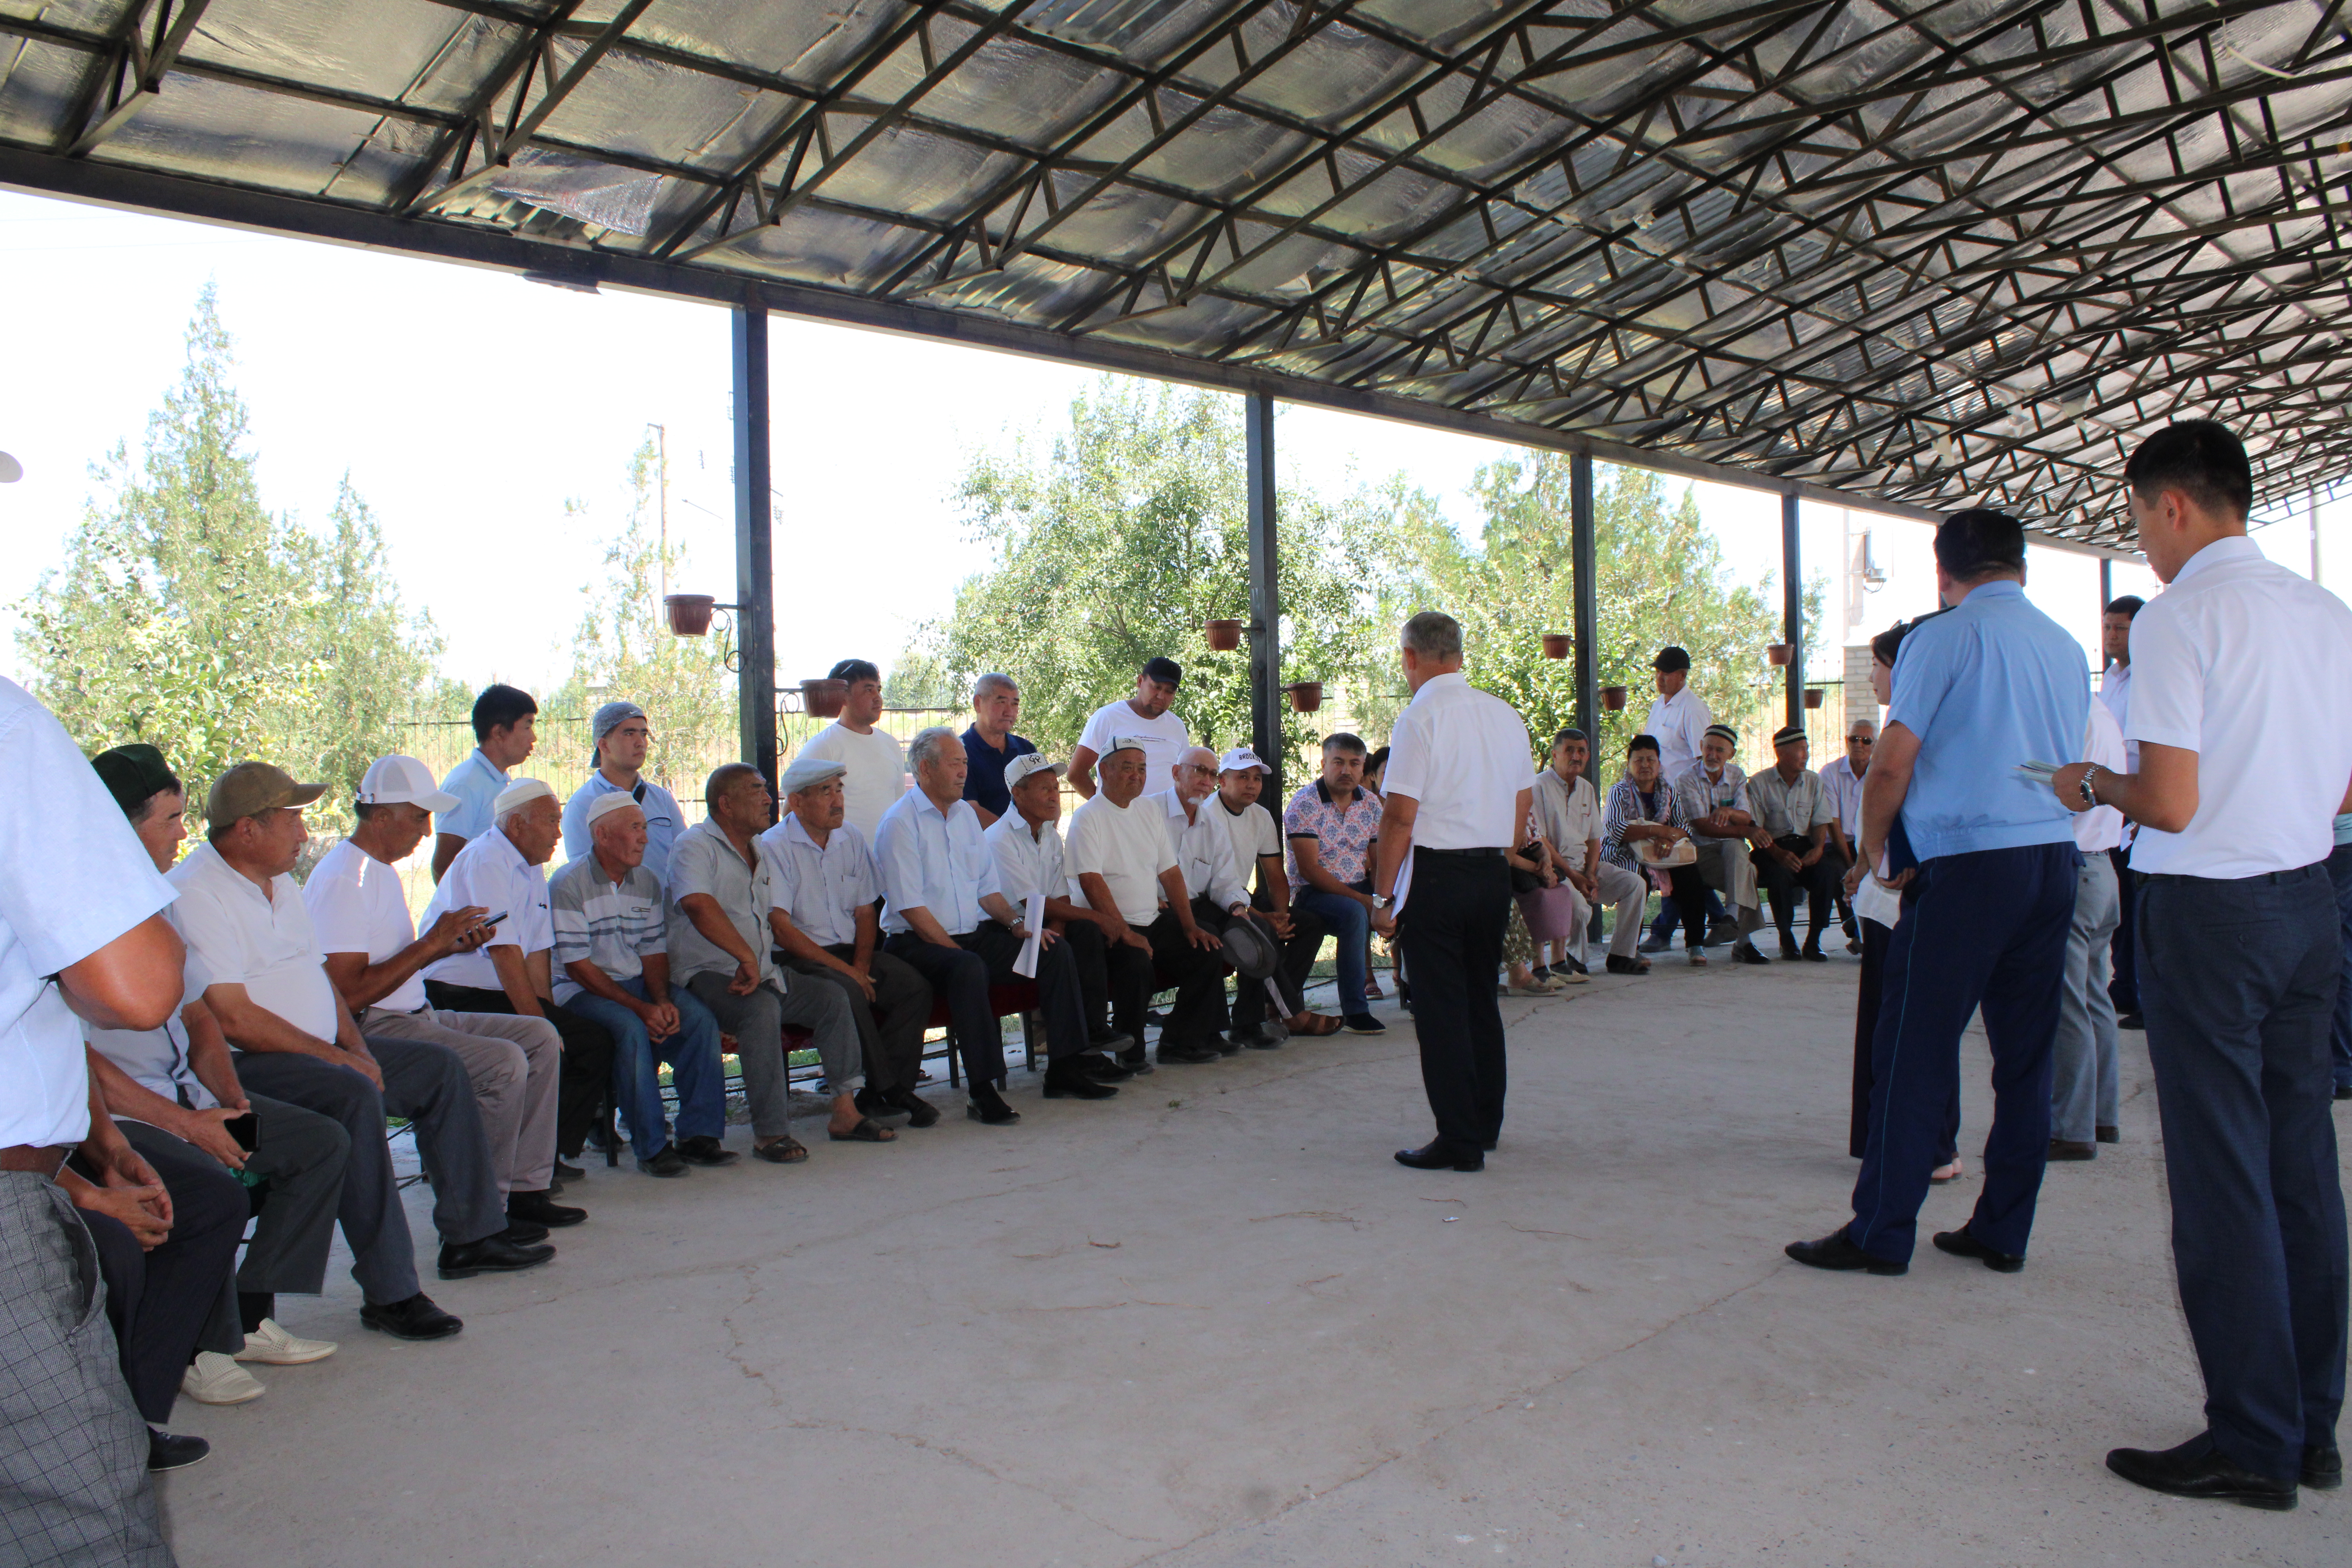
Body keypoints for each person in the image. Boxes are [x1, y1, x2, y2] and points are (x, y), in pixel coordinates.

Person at [2054, 422, 2352, 1509]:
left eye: (2138, 520)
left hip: (2213, 917)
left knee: (2225, 1176)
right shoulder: (2328, 615)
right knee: (2301, 1166)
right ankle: (2310, 1426)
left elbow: (2169, 801)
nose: (2144, 543)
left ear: (2172, 505)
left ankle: (2252, 1440)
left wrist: (2092, 783)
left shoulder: (2182, 623)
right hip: (2308, 904)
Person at [1788, 508, 2086, 1280]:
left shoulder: (1942, 637)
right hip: (2052, 859)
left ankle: (1881, 1229)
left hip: (1969, 867)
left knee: (1913, 1046)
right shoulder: (2064, 644)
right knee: (2025, 1058)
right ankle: (2003, 1228)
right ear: (2021, 564)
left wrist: (1873, 855)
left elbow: (1890, 762)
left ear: (1943, 570)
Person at [171, 762, 546, 1332]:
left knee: (441, 1070)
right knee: (351, 1097)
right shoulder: (197, 892)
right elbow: (235, 1019)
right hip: (242, 1068)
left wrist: (356, 1047)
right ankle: (391, 1291)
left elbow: (320, 980)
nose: (304, 834)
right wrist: (340, 1058)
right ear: (247, 830)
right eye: (292, 820)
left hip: (324, 1048)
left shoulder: (283, 884)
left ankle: (473, 1235)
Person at [85, 744, 348, 1404]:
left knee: (316, 1144)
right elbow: (77, 1061)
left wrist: (230, 1101)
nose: (184, 830)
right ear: (122, 826)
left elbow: (203, 1019)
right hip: (126, 1118)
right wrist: (188, 1124)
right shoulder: (82, 917)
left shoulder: (158, 900)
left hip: (193, 1100)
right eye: (170, 818)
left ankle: (250, 1313)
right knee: (214, 1192)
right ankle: (201, 1348)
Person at [0, 674, 200, 1541]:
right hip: (106, 1130)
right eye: (167, 817)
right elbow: (141, 987)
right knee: (78, 1518)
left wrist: (200, 1115)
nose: (180, 831)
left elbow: (213, 1035)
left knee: (256, 1152)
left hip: (157, 1110)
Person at [318, 758, 579, 1234]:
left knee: (540, 1035)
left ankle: (526, 1190)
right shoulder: (344, 879)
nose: (427, 832)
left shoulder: (376, 871)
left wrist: (451, 943)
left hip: (418, 1011)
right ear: (380, 817)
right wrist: (432, 945)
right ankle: (486, 1214)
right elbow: (346, 992)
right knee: (503, 1061)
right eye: (419, 817)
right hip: (377, 1026)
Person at [1369, 612, 1532, 1172]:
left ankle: (1458, 1140)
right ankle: (1484, 1124)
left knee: (1441, 1012)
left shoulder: (1421, 717)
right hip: (1493, 872)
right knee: (1480, 1001)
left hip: (1438, 876)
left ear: (1411, 657)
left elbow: (1398, 819)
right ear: (1458, 654)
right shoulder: (1505, 715)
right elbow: (1521, 812)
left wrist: (1382, 898)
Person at [880, 729, 1108, 1113]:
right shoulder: (900, 822)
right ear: (925, 768)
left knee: (1053, 949)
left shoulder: (967, 816)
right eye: (955, 763)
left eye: (965, 763)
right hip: (918, 944)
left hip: (974, 935)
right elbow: (910, 908)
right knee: (968, 967)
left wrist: (1018, 925)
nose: (963, 772)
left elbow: (987, 891)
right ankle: (982, 1089)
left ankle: (1065, 1068)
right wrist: (956, 950)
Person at [416, 778, 612, 1188]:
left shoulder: (532, 864)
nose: (560, 832)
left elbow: (536, 950)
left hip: (502, 991)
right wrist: (539, 1024)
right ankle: (526, 1164)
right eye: (552, 821)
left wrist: (545, 1013)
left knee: (591, 1042)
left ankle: (542, 1155)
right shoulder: (488, 858)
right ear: (519, 824)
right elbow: (505, 952)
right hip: (458, 994)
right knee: (549, 1041)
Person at [671, 764, 873, 1157]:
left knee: (832, 997)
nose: (768, 798)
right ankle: (770, 1133)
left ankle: (845, 1112)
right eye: (756, 790)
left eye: (766, 789)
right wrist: (745, 956)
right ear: (726, 804)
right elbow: (697, 904)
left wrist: (755, 962)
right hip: (708, 974)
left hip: (763, 972)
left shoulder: (759, 848)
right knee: (760, 1009)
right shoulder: (694, 845)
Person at [64, 1060, 243, 1454]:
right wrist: (89, 1196)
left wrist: (113, 1154)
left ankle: (134, 1421)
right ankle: (85, 1429)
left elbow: (76, 1062)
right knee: (116, 1245)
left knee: (213, 1201)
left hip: (62, 1150)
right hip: (21, 1172)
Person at [551, 795, 734, 1177]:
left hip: (634, 984)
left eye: (646, 828)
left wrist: (663, 1000)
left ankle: (699, 1136)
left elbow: (652, 952)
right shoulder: (569, 883)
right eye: (635, 828)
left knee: (697, 1020)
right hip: (581, 991)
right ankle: (651, 1147)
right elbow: (578, 967)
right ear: (602, 834)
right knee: (632, 1030)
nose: (645, 838)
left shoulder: (647, 881)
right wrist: (642, 1009)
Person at [760, 754, 941, 1127]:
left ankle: (879, 1092)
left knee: (913, 987)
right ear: (797, 802)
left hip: (849, 952)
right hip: (800, 956)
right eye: (825, 791)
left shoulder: (851, 837)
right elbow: (781, 928)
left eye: (839, 789)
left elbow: (865, 912)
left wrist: (860, 965)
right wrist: (849, 973)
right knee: (848, 990)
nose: (837, 800)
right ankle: (893, 1090)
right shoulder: (774, 846)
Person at [1842, 619, 1960, 1183]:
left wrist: (1875, 850)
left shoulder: (1916, 726)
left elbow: (1893, 781)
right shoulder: (1913, 721)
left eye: (1881, 665)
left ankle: (1929, 1146)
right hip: (1888, 890)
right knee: (1900, 1022)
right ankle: (1916, 1141)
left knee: (1907, 1024)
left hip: (1906, 889)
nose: (1874, 676)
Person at [1066, 739, 1225, 1067]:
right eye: (1127, 768)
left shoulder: (1147, 811)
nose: (1136, 776)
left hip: (1152, 920)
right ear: (1104, 771)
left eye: (1142, 769)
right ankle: (1129, 1053)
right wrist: (1124, 931)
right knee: (1136, 962)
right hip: (1107, 928)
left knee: (1207, 949)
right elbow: (1091, 881)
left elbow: (1170, 873)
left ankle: (1179, 1041)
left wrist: (1190, 926)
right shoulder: (1088, 817)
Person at [983, 754, 1140, 1073]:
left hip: (1041, 924)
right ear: (1018, 793)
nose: (1055, 796)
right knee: (1083, 931)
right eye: (1045, 789)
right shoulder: (1000, 838)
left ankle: (1093, 1034)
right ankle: (1073, 1060)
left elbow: (1060, 894)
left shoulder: (1050, 835)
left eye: (1056, 788)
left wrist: (1063, 925)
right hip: (1006, 930)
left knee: (1084, 934)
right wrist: (1097, 917)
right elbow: (1030, 902)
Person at [1151, 746, 1274, 1052]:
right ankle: (1189, 1036)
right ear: (1177, 773)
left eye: (1210, 773)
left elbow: (1223, 880)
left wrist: (1237, 906)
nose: (1205, 780)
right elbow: (1128, 866)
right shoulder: (1149, 813)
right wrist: (1148, 896)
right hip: (1156, 907)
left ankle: (1246, 1024)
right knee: (1210, 939)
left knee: (1255, 928)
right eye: (1198, 771)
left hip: (1198, 902)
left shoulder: (1211, 824)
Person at [2047, 697, 2127, 1161]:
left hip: (2076, 866)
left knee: (2069, 1001)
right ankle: (2101, 1116)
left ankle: (2072, 1128)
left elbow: (2068, 796)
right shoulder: (2103, 715)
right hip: (2102, 867)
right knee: (2096, 996)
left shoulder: (2076, 718)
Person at [1213, 748, 1339, 1044]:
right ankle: (1260, 1020)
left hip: (1242, 898)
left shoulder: (1261, 815)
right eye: (1243, 777)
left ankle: (1277, 1005)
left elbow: (1275, 875)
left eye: (1257, 779)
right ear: (1222, 780)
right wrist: (1267, 919)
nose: (1252, 785)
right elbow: (1217, 887)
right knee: (1261, 929)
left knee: (1308, 924)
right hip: (1214, 901)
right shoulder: (1207, 815)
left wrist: (1281, 915)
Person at [1283, 733, 1387, 1034]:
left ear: (1363, 767)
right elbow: (1310, 870)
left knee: (1413, 902)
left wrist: (1383, 898)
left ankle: (1419, 994)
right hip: (1315, 893)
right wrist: (1366, 902)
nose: (1347, 771)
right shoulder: (1305, 803)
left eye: (1355, 764)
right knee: (1354, 913)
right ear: (1323, 763)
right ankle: (1356, 1011)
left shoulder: (1369, 804)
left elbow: (1378, 862)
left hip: (1359, 886)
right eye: (1338, 762)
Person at [1533, 728, 1649, 978]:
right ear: (1555, 754)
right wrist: (1574, 877)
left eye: (1582, 751)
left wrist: (1590, 874)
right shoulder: (1539, 786)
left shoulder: (1586, 788)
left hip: (1585, 866)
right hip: (1553, 868)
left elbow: (1595, 839)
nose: (1576, 756)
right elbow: (1540, 840)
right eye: (1570, 751)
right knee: (1576, 902)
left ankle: (1621, 955)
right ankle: (1571, 958)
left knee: (1635, 884)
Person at [1641, 647, 1726, 949]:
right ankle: (1719, 918)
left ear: (1682, 676)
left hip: (1684, 800)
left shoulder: (1693, 709)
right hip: (1659, 798)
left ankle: (1662, 932)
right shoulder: (1658, 706)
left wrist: (1696, 801)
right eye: (1658, 672)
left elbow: (1704, 758)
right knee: (1681, 864)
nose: (1660, 678)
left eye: (1666, 673)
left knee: (1672, 861)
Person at [1602, 735, 1708, 968]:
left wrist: (1669, 838)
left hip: (1663, 854)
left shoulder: (1668, 792)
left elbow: (1684, 828)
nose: (1645, 765)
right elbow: (1617, 829)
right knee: (1638, 880)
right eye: (1639, 760)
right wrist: (1657, 831)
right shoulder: (1619, 791)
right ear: (1629, 764)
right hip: (1624, 852)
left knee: (1691, 878)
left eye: (1651, 759)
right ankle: (1629, 949)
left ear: (1659, 764)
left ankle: (1695, 944)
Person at [1672, 724, 1771, 965]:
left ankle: (1731, 917)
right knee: (1748, 871)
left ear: (1731, 754)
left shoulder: (1737, 775)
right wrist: (1746, 830)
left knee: (1736, 849)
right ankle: (1743, 942)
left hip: (1730, 851)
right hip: (1699, 852)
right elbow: (1703, 827)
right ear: (1701, 747)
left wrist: (1729, 812)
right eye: (1708, 748)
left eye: (1720, 750)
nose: (1712, 755)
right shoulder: (1687, 779)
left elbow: (1745, 814)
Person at [1746, 726, 1844, 962]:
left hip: (1805, 846)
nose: (1806, 755)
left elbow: (1822, 821)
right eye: (1801, 749)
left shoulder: (1814, 781)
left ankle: (1814, 940)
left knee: (1827, 871)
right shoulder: (1759, 783)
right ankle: (1786, 937)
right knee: (1779, 875)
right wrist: (1777, 853)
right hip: (1770, 848)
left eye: (1807, 749)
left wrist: (1818, 849)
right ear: (1782, 752)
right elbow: (1755, 830)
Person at [559, 701, 684, 880]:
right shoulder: (582, 804)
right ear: (604, 745)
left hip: (664, 908)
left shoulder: (662, 799)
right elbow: (584, 876)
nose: (641, 743)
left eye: (644, 734)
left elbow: (684, 858)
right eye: (629, 733)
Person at [2099, 594, 2147, 1031]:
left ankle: (2141, 991)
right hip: (2109, 807)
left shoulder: (2149, 679)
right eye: (2108, 627)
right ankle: (2124, 982)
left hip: (2138, 807)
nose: (2111, 636)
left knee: (2136, 908)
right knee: (2118, 906)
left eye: (2121, 629)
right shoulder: (2112, 679)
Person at [433, 682, 537, 882]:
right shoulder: (466, 784)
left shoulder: (498, 781)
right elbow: (443, 868)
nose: (533, 738)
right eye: (527, 726)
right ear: (499, 733)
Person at [797, 658, 906, 844]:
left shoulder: (891, 745)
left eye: (878, 690)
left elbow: (900, 806)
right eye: (868, 690)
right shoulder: (823, 748)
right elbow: (794, 810)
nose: (877, 698)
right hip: (843, 865)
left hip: (888, 859)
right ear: (843, 696)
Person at [1068, 657, 1189, 800]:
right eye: (1156, 687)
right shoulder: (1108, 717)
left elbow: (1185, 777)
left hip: (1166, 821)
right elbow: (1076, 774)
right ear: (1140, 682)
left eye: (1169, 692)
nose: (1161, 696)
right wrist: (1104, 808)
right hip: (1117, 821)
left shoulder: (1177, 726)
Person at [1821, 718, 1877, 953]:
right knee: (1842, 872)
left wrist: (1865, 859)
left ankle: (1866, 933)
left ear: (1875, 745)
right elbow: (1833, 825)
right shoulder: (1830, 772)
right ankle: (1855, 931)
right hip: (1837, 843)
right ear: (1847, 741)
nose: (1859, 745)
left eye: (1866, 741)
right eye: (1854, 739)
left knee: (1878, 874)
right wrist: (1853, 864)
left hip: (1869, 843)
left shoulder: (1879, 773)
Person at [959, 673, 1036, 827]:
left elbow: (1047, 798)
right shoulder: (960, 752)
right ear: (978, 704)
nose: (1009, 712)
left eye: (1015, 704)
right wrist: (1013, 838)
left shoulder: (1026, 750)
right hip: (983, 846)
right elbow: (968, 809)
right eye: (1001, 702)